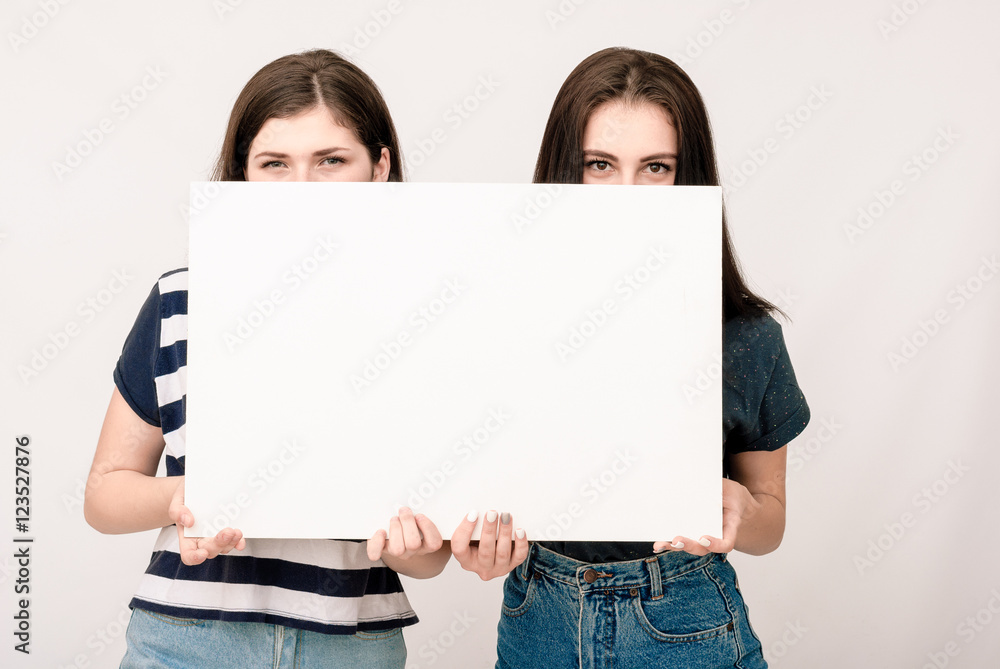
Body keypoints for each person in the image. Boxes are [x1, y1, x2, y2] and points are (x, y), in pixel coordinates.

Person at [83, 49, 450, 668]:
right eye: (275, 163)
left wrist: (405, 538)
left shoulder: (425, 318)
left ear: (379, 167)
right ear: (242, 175)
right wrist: (182, 498)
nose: (302, 188)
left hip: (351, 645)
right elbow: (104, 494)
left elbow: (430, 557)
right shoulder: (181, 301)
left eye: (331, 160)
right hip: (186, 643)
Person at [450, 47, 811, 668]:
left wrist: (742, 515)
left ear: (687, 177)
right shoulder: (497, 326)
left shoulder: (746, 337)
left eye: (655, 167)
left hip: (684, 621)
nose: (625, 192)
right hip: (539, 618)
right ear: (566, 171)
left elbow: (770, 520)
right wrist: (478, 541)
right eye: (599, 164)